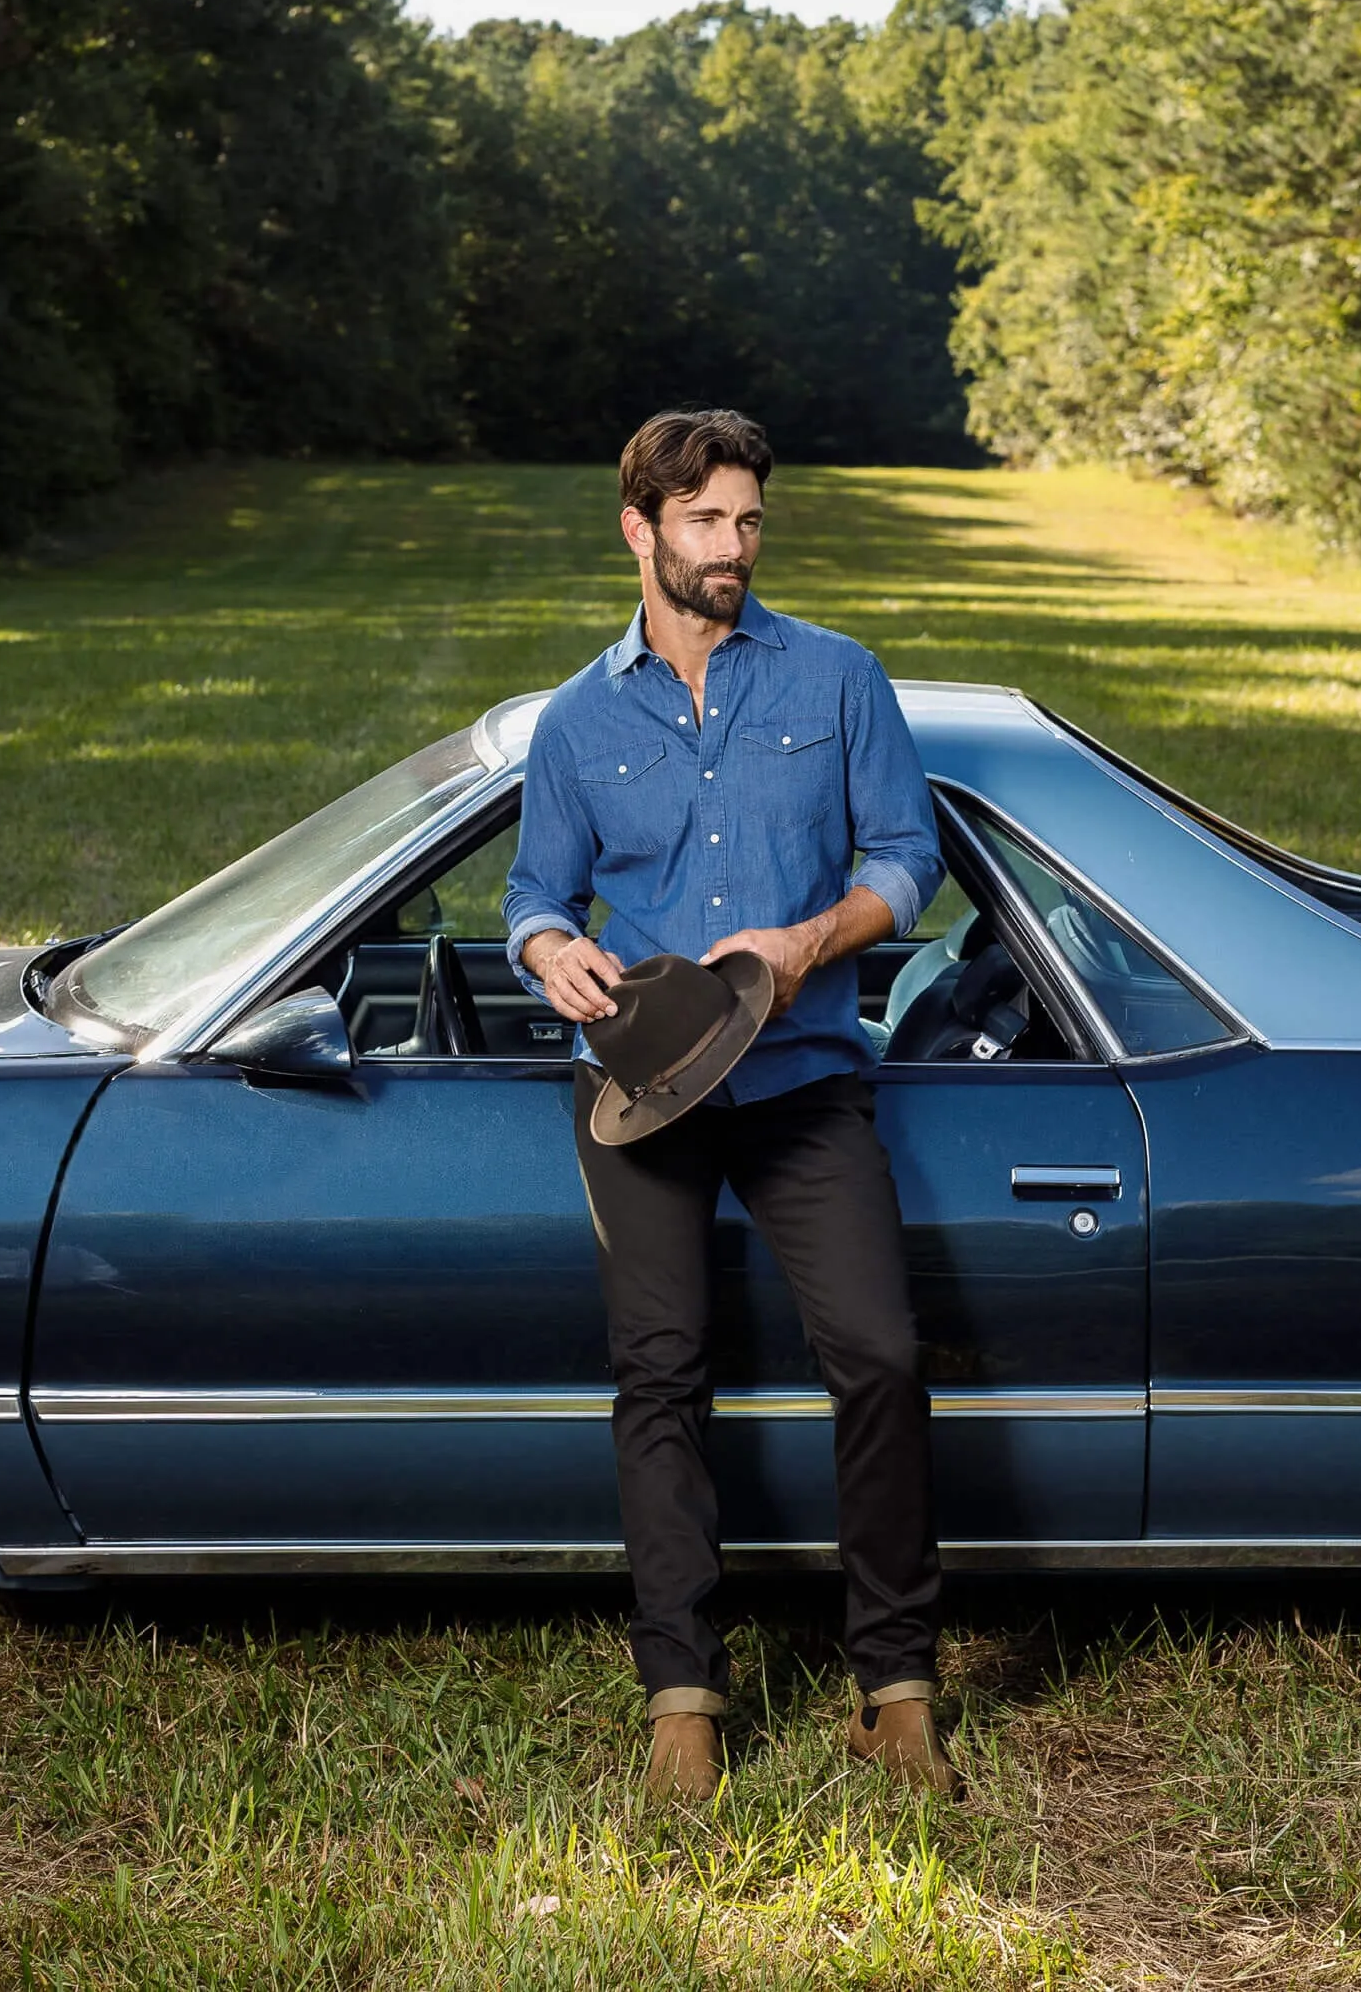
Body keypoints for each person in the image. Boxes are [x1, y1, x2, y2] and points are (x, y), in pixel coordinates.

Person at [503, 408, 956, 1804]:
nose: (734, 548)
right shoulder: (579, 721)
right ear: (641, 530)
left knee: (878, 1354)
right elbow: (533, 895)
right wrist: (546, 950)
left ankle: (896, 1688)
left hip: (805, 1078)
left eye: (748, 522)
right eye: (706, 522)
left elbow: (909, 856)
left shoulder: (836, 681)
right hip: (643, 1092)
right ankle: (682, 1698)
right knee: (661, 1370)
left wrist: (805, 944)